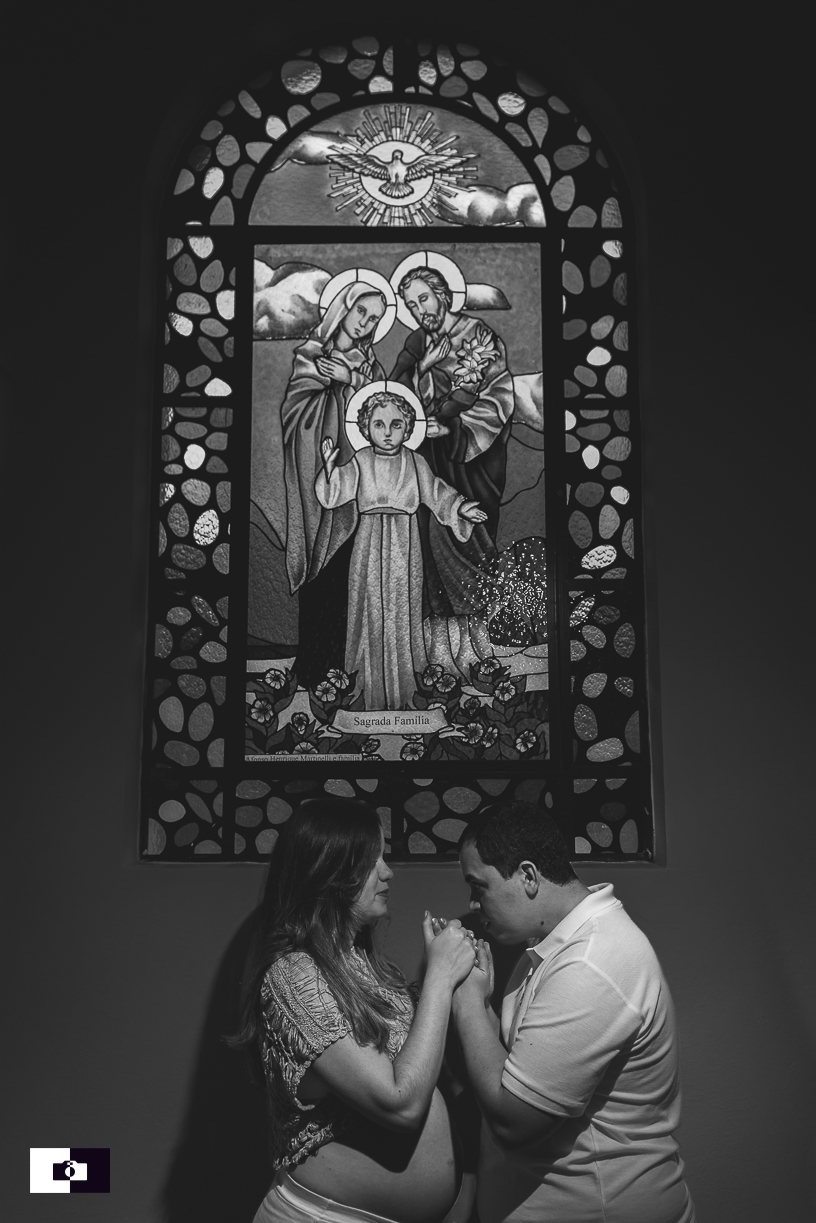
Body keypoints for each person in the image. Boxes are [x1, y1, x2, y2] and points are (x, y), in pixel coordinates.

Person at [444, 801, 695, 1223]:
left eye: (478, 885)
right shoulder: (554, 946)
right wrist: (481, 1005)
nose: (472, 903)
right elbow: (513, 1073)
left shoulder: (590, 964)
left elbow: (513, 1124)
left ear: (528, 876)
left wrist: (466, 1002)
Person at [234, 799, 479, 1223]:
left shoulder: (369, 967)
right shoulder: (293, 976)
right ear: (329, 871)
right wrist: (440, 977)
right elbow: (400, 1105)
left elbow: (418, 1066)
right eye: (372, 861)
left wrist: (466, 984)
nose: (388, 872)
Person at [315, 389, 487, 710]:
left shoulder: (414, 462)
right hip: (368, 543)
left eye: (396, 424)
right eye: (379, 425)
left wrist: (460, 508)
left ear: (408, 428)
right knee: (367, 610)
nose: (388, 433)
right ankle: (366, 689)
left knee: (402, 610)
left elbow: (437, 492)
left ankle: (406, 688)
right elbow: (334, 493)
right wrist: (328, 469)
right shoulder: (361, 460)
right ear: (365, 428)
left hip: (405, 545)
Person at [390, 266, 515, 675]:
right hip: (427, 458)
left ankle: (478, 645)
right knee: (428, 540)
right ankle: (439, 651)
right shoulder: (417, 344)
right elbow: (395, 393)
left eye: (424, 298)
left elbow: (495, 394)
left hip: (469, 458)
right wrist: (420, 372)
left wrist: (452, 426)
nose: (420, 309)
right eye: (411, 305)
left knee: (468, 537)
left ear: (443, 294)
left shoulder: (477, 335)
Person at [281, 282, 387, 689]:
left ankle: (344, 669)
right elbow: (296, 418)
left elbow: (380, 416)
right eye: (362, 311)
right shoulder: (310, 356)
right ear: (343, 307)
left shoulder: (370, 368)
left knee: (350, 577)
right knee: (320, 574)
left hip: (356, 486)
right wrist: (334, 387)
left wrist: (351, 379)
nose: (366, 323)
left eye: (375, 318)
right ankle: (312, 668)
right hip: (317, 480)